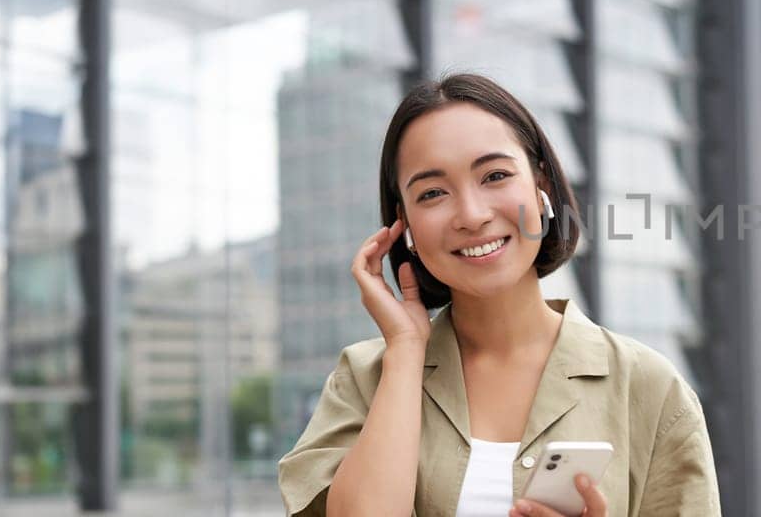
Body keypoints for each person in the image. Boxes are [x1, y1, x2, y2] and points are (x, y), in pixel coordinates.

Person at [277, 74, 720, 517]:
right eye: (432, 193)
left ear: (541, 186)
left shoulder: (649, 389)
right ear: (404, 224)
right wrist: (407, 351)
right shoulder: (363, 380)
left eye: (495, 175)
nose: (471, 215)